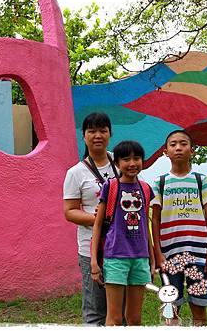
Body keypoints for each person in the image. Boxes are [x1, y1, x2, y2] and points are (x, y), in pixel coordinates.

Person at [151, 129, 207, 326]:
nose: (178, 148)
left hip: (198, 255)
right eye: (173, 144)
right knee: (171, 309)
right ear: (166, 152)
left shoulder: (200, 180)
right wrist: (158, 253)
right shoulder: (160, 182)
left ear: (192, 150)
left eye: (183, 144)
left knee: (199, 307)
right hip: (170, 257)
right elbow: (154, 220)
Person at [90, 140, 155, 326]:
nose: (132, 163)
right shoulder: (111, 187)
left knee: (135, 319)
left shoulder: (145, 189)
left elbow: (145, 226)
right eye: (126, 159)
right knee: (114, 319)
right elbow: (97, 225)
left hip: (140, 259)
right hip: (115, 257)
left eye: (137, 158)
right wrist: (94, 262)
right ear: (117, 163)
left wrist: (151, 259)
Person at [63, 112, 119, 325]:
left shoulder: (122, 162)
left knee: (120, 306)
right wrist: (98, 219)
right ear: (84, 136)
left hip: (123, 247)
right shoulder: (75, 173)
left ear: (110, 134)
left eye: (103, 130)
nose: (98, 135)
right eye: (92, 131)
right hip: (91, 249)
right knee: (96, 308)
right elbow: (69, 211)